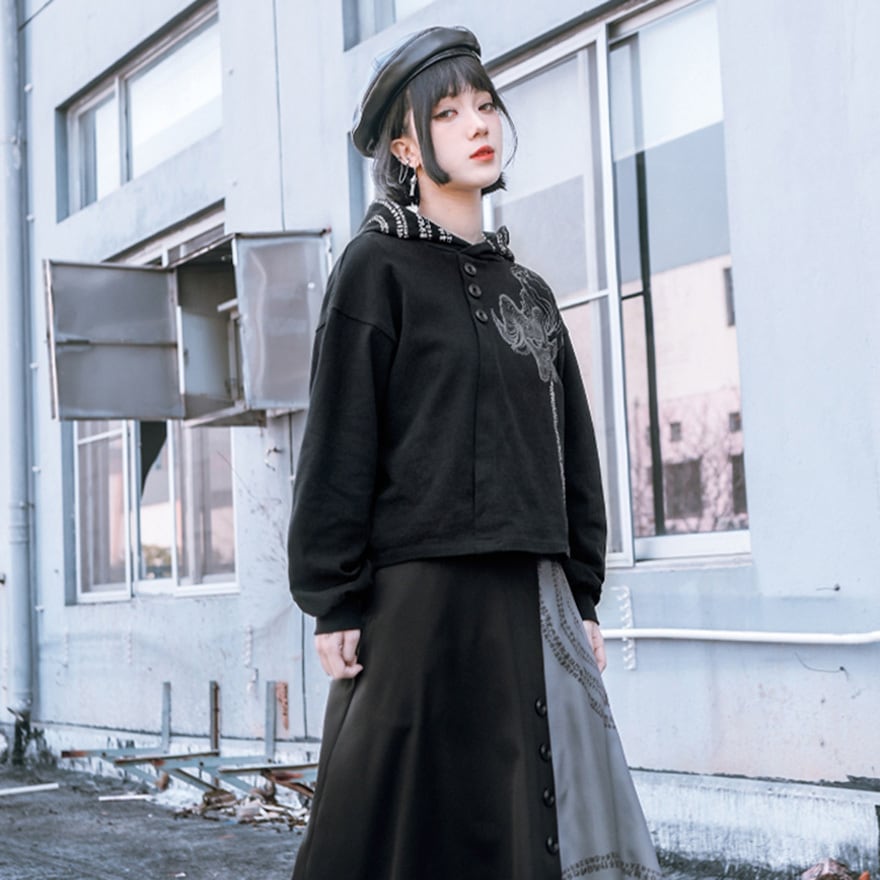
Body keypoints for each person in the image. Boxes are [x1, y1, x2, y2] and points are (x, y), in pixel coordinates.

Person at [287, 25, 660, 880]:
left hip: (531, 597)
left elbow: (571, 451)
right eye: (448, 113)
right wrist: (333, 599)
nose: (478, 124)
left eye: (485, 104)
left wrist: (582, 594)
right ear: (406, 147)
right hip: (415, 607)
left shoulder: (529, 291)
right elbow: (340, 437)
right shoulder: (374, 269)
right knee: (397, 834)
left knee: (527, 832)